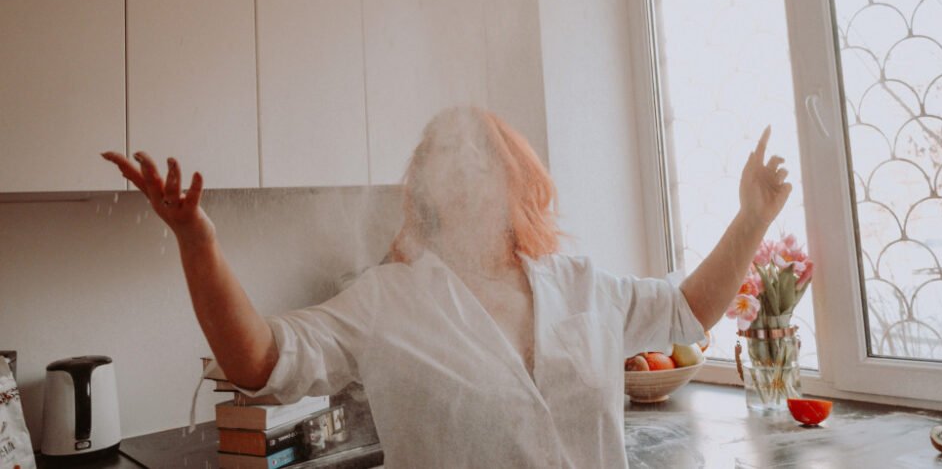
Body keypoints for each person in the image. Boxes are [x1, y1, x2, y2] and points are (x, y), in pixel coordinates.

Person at [101, 106, 791, 468]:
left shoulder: (581, 285)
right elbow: (259, 358)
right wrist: (198, 243)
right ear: (423, 191)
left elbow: (686, 311)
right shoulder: (386, 300)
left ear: (515, 178)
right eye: (442, 160)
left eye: (479, 158)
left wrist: (753, 217)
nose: (462, 172)